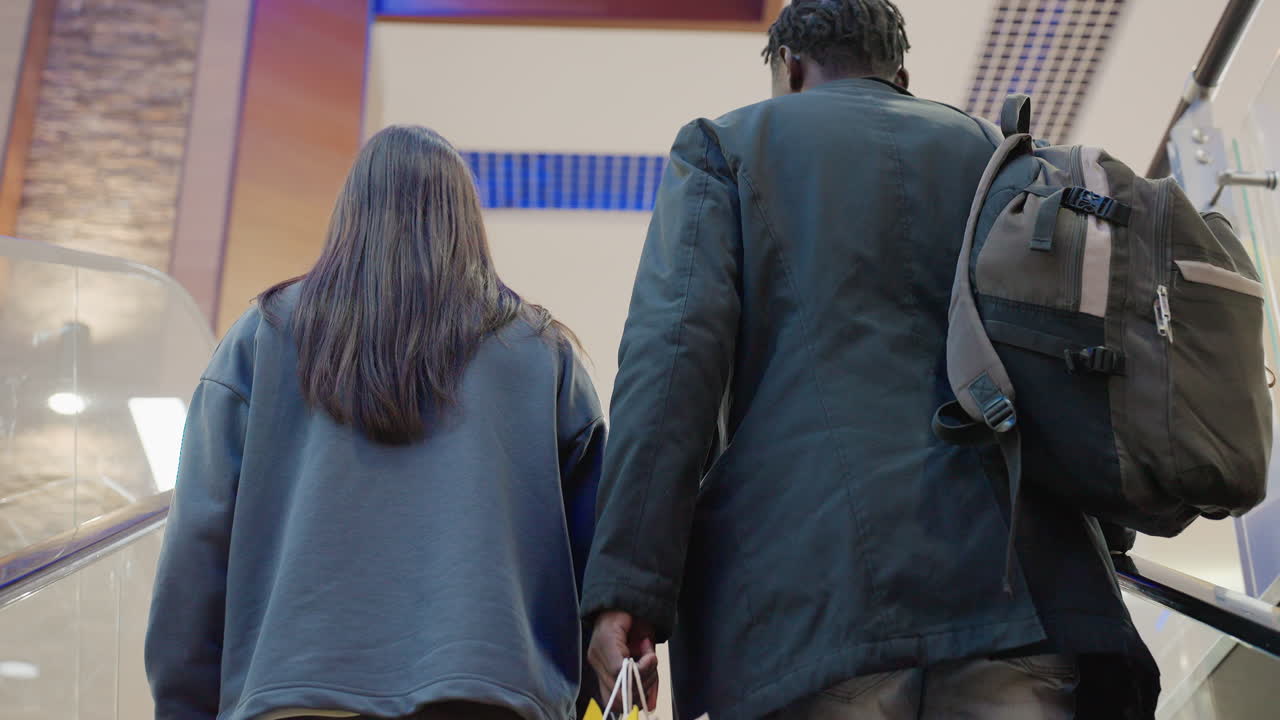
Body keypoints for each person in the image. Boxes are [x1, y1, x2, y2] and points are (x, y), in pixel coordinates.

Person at [580, 1, 1159, 718]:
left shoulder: (726, 147)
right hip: (1023, 593)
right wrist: (1106, 540)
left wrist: (627, 590)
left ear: (789, 69)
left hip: (814, 606)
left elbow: (669, 373)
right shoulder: (1005, 157)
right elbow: (1066, 368)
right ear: (903, 75)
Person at [145, 126, 604, 720]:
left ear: (349, 216)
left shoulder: (263, 338)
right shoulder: (541, 354)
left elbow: (198, 548)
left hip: (294, 695)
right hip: (491, 696)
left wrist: (184, 705)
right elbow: (599, 555)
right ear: (466, 222)